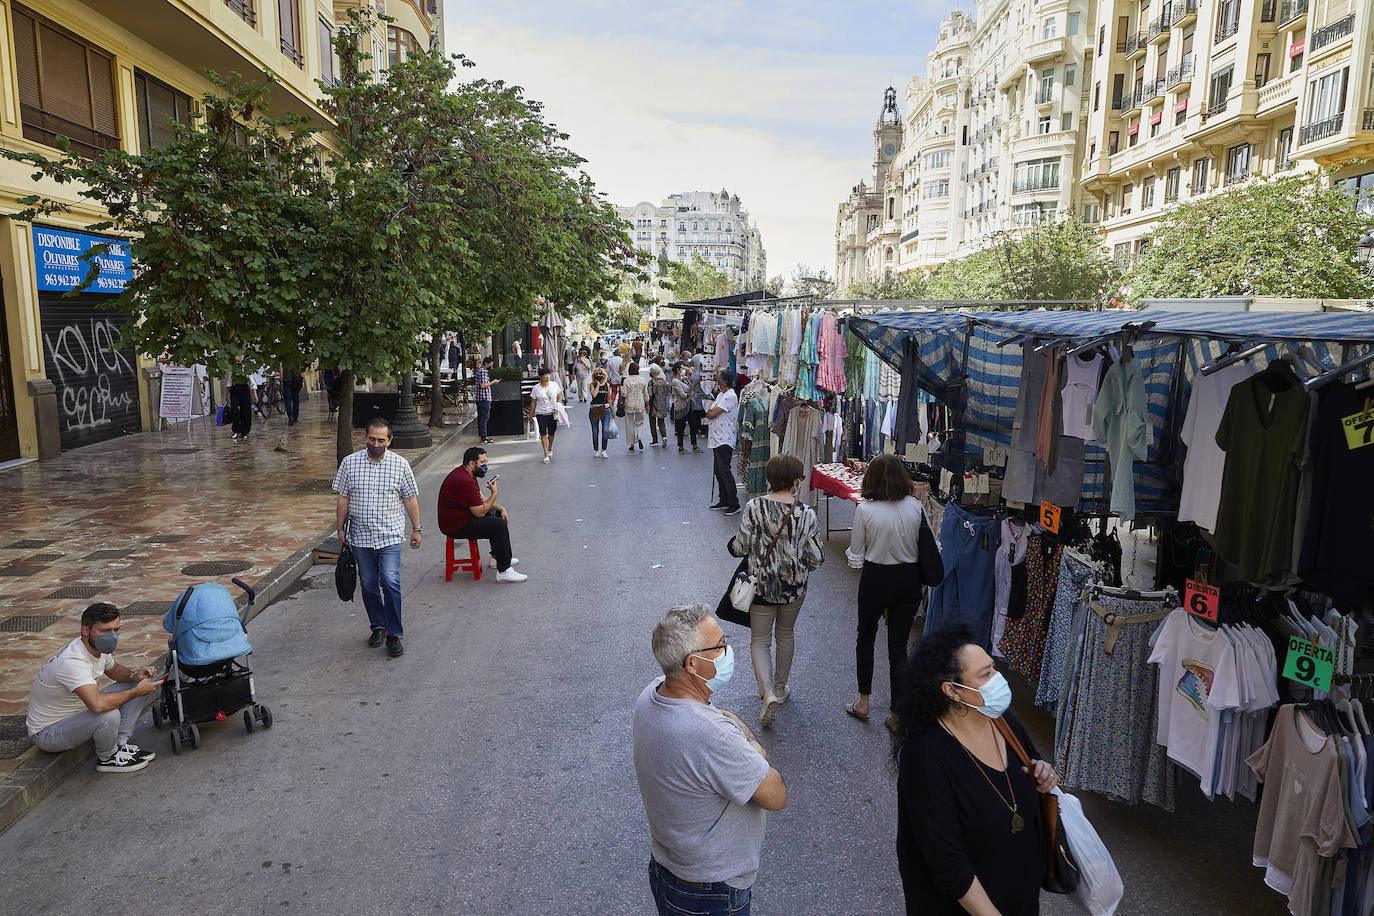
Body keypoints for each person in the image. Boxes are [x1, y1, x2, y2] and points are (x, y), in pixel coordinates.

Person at [633, 604, 787, 916]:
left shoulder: (651, 695)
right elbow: (776, 795)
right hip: (710, 892)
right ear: (692, 663)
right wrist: (752, 744)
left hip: (670, 872)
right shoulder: (711, 734)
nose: (729, 650)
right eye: (720, 644)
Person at [893, 624, 1058, 916]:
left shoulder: (1002, 720)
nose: (998, 679)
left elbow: (1031, 763)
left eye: (993, 668)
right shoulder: (924, 756)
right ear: (952, 691)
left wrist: (1043, 773)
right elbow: (946, 861)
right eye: (985, 674)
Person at [727, 455, 824, 727]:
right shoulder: (806, 513)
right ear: (795, 481)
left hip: (761, 586)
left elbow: (740, 547)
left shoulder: (754, 507)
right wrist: (798, 567)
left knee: (760, 640)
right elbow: (817, 557)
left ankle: (766, 691)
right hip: (793, 589)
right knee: (785, 635)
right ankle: (780, 690)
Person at [26, 603, 164, 773]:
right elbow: (97, 705)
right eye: (105, 631)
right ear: (85, 630)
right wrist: (137, 692)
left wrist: (136, 676)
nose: (112, 636)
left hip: (77, 714)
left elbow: (113, 670)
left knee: (135, 685)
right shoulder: (73, 662)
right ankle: (108, 758)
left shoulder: (97, 647)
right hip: (48, 732)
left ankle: (120, 744)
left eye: (116, 630)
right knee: (107, 713)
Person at [845, 453, 927, 731]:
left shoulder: (865, 510)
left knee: (865, 637)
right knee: (898, 648)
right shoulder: (916, 506)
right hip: (908, 580)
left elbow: (856, 556)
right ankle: (896, 714)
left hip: (876, 577)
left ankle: (863, 702)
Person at [333, 418, 423, 657]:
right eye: (372, 439)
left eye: (381, 440)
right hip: (360, 537)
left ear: (389, 441)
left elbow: (410, 498)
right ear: (365, 437)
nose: (376, 444)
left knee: (390, 580)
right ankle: (378, 626)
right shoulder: (349, 464)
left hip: (390, 535)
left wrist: (417, 528)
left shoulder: (401, 465)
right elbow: (343, 497)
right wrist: (340, 529)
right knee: (369, 584)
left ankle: (394, 634)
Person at [437, 446, 527, 582]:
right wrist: (495, 494)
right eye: (483, 462)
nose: (486, 465)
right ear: (472, 463)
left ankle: (496, 558)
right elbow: (480, 512)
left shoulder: (468, 474)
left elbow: (482, 499)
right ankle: (504, 571)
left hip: (463, 516)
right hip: (455, 525)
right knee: (498, 525)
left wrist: (500, 508)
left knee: (496, 514)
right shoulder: (464, 480)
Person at [706, 369, 741, 515]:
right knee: (719, 472)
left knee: (725, 471)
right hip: (717, 439)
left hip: (724, 438)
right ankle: (724, 499)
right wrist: (710, 412)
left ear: (722, 381)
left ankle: (734, 503)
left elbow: (711, 412)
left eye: (718, 379)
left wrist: (710, 412)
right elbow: (710, 412)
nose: (716, 381)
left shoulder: (730, 396)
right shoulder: (721, 394)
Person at [528, 369, 564, 464]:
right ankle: (545, 454)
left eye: (548, 374)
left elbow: (559, 397)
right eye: (544, 375)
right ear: (540, 377)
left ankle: (550, 447)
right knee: (543, 433)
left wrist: (557, 407)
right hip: (541, 413)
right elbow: (533, 402)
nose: (546, 376)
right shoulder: (536, 388)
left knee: (552, 433)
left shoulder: (554, 385)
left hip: (552, 413)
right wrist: (530, 415)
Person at [621, 362, 649, 453]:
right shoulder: (642, 380)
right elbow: (646, 394)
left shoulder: (627, 380)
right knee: (639, 422)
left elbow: (624, 394)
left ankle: (631, 444)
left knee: (629, 424)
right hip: (640, 404)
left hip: (629, 404)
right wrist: (647, 405)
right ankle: (639, 437)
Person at [670, 363, 697, 452]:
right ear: (678, 370)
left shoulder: (683, 380)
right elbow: (683, 395)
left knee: (693, 425)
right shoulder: (675, 382)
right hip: (681, 407)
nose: (684, 370)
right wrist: (689, 394)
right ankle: (681, 446)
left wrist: (688, 381)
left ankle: (694, 444)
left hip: (688, 406)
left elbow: (692, 388)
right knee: (681, 428)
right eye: (682, 369)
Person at [228, 360, 256, 440]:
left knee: (245, 411)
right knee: (234, 410)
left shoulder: (246, 368)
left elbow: (252, 381)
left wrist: (255, 395)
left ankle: (244, 431)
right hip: (234, 389)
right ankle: (236, 430)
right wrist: (226, 395)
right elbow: (229, 382)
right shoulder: (232, 368)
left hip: (244, 390)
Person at [588, 367, 612, 459]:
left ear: (603, 375)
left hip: (606, 410)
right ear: (594, 375)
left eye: (600, 373)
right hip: (594, 410)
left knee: (605, 430)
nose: (599, 375)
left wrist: (612, 410)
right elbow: (594, 395)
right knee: (595, 431)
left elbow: (609, 398)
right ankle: (596, 450)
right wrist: (597, 384)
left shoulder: (607, 385)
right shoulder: (592, 384)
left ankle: (604, 450)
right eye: (597, 374)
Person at [647, 364, 671, 448]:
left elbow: (649, 394)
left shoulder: (651, 382)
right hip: (662, 405)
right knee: (661, 422)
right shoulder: (664, 382)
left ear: (652, 373)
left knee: (652, 422)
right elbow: (667, 393)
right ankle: (664, 437)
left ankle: (655, 440)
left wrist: (647, 405)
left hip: (653, 404)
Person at [473, 355, 495, 444]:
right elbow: (482, 385)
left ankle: (483, 436)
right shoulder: (482, 372)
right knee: (484, 418)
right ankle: (484, 437)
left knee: (483, 418)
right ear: (486, 363)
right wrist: (493, 382)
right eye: (490, 364)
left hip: (482, 398)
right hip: (483, 398)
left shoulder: (482, 371)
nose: (491, 366)